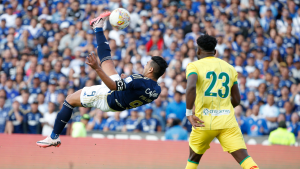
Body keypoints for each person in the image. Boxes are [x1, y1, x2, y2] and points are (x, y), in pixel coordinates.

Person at [36, 12, 168, 147]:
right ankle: (98, 26)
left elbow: (113, 87)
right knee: (107, 61)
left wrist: (96, 68)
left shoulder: (139, 80)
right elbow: (137, 90)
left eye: (147, 64)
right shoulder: (157, 90)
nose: (145, 66)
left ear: (151, 70)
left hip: (107, 97)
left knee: (70, 100)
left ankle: (54, 137)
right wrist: (126, 84)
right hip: (119, 101)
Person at [185, 34, 259, 169]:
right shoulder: (230, 68)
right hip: (228, 123)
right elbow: (237, 99)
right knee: (245, 159)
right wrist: (223, 108)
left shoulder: (193, 66)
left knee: (193, 158)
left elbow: (190, 87)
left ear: (198, 51)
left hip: (203, 122)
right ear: (215, 52)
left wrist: (189, 112)